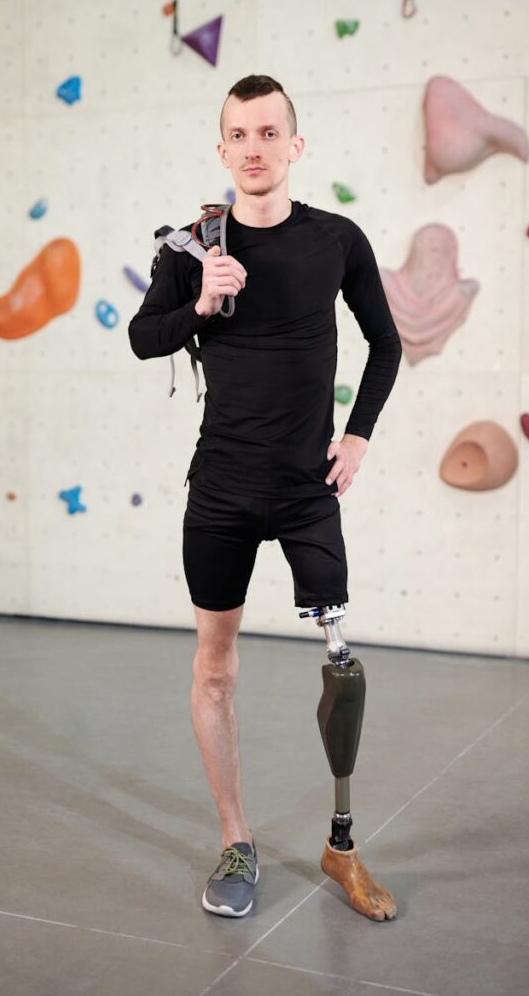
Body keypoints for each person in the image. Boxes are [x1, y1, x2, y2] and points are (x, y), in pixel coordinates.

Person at [128, 74, 402, 918]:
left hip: (305, 489)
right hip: (220, 489)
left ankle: (341, 848)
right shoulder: (189, 248)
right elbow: (144, 340)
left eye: (268, 133)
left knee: (342, 669)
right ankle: (235, 841)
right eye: (238, 135)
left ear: (294, 146)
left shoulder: (335, 239)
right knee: (215, 666)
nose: (253, 148)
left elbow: (384, 342)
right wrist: (204, 302)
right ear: (222, 151)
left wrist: (355, 437)